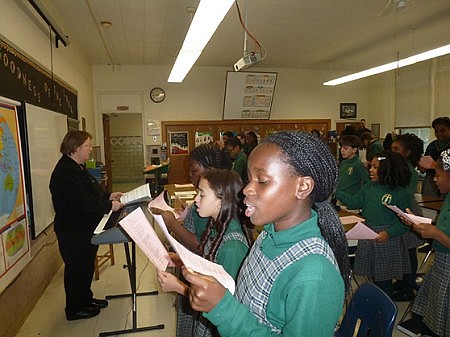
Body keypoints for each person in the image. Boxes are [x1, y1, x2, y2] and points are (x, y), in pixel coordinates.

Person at [182, 131, 350, 337]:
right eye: (249, 179)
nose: (246, 190)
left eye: (262, 181)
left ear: (303, 187)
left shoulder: (314, 274)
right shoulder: (267, 235)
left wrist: (224, 308)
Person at [157, 169, 252, 337]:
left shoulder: (232, 248)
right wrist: (180, 261)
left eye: (202, 194)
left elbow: (223, 303)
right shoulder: (217, 228)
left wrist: (179, 287)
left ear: (221, 201)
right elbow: (210, 269)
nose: (195, 200)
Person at [49, 130, 123, 321]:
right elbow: (83, 202)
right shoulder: (66, 172)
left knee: (85, 267)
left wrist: (108, 196)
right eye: (87, 146)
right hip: (73, 231)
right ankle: (74, 309)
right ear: (75, 148)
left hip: (84, 228)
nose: (90, 149)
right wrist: (110, 206)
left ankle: (86, 300)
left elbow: (91, 192)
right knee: (76, 269)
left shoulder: (77, 166)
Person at [335, 150, 412, 298]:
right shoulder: (369, 187)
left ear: (388, 169)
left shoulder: (399, 193)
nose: (370, 170)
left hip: (386, 240)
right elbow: (353, 202)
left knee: (384, 280)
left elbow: (406, 223)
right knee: (372, 277)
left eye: (375, 167)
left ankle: (385, 310)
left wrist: (388, 233)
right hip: (369, 235)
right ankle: (376, 305)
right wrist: (335, 190)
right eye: (371, 166)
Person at [397, 149, 450, 337]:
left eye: (438, 175)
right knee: (433, 319)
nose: (434, 179)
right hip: (441, 265)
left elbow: (441, 234)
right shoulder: (448, 197)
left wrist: (436, 234)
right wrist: (418, 225)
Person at [391, 133, 425, 301]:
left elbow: (405, 194)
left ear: (408, 152)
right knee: (402, 252)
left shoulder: (410, 172)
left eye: (397, 149)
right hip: (400, 212)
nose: (393, 152)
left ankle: (408, 288)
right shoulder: (398, 168)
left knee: (410, 252)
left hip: (409, 213)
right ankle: (403, 282)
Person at [419, 116, 450, 197]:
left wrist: (435, 166)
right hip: (430, 179)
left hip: (446, 179)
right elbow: (424, 161)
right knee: (429, 203)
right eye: (436, 131)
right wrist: (422, 167)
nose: (439, 134)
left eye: (443, 131)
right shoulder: (432, 145)